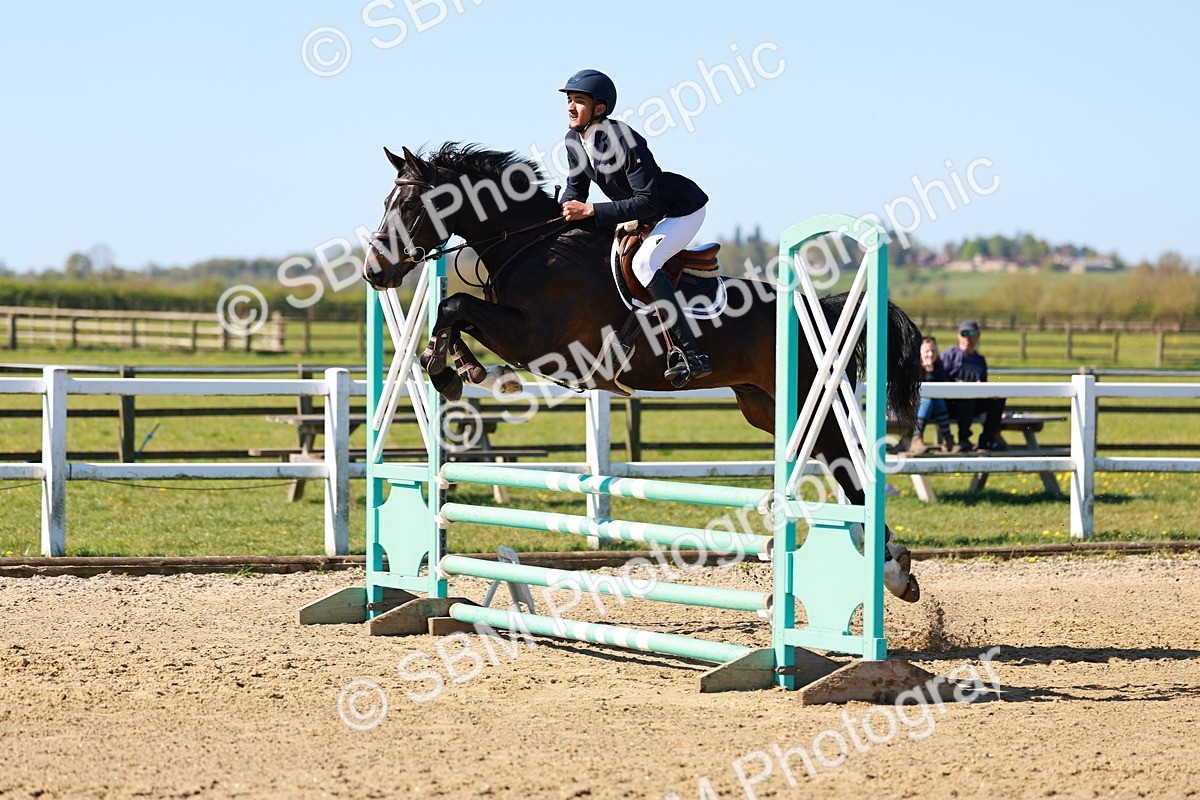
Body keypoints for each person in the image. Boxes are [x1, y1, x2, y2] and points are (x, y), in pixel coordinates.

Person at [557, 69, 712, 387]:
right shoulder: (574, 139)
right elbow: (575, 190)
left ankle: (692, 353)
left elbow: (649, 202)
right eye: (569, 100)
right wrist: (561, 214)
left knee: (644, 263)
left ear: (599, 109)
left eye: (579, 101)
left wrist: (591, 211)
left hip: (680, 210)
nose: (571, 107)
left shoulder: (623, 139)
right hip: (644, 215)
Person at [940, 320, 1007, 452]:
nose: (967, 338)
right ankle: (964, 439)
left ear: (978, 336)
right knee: (967, 397)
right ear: (958, 335)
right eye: (964, 333)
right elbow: (940, 380)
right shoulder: (949, 356)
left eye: (971, 333)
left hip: (973, 402)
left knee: (997, 399)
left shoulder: (979, 360)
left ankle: (987, 439)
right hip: (951, 403)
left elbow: (984, 386)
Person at [909, 337, 955, 454]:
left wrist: (931, 370)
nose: (930, 354)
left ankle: (948, 439)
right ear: (919, 352)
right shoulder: (913, 368)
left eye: (933, 351)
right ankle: (916, 438)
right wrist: (926, 370)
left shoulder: (939, 367)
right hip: (911, 407)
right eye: (927, 351)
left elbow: (940, 387)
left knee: (937, 400)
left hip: (933, 408)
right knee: (928, 400)